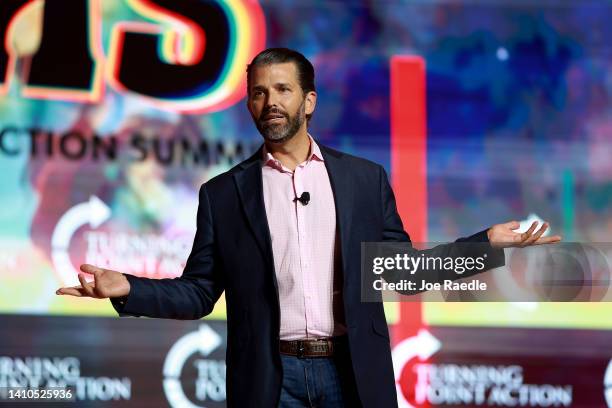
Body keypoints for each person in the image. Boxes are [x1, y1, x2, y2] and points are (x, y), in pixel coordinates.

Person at [56, 48, 562, 407]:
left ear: (309, 101)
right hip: (270, 382)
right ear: (250, 105)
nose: (269, 101)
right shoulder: (224, 194)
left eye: (282, 89)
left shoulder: (364, 179)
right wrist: (128, 289)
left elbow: (405, 273)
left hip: (352, 375)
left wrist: (486, 245)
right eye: (258, 93)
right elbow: (199, 293)